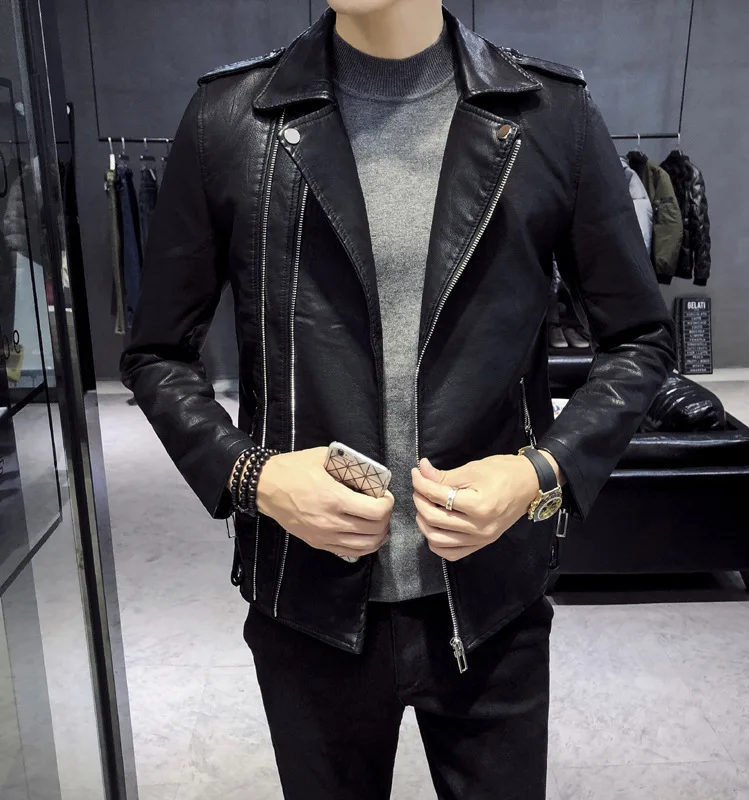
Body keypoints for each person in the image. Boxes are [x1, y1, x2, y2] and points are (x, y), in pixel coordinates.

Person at [120, 1, 675, 797]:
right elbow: (156, 353)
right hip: (308, 605)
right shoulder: (231, 120)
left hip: (492, 604)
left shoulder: (549, 116)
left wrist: (537, 475)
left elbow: (640, 340)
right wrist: (256, 478)